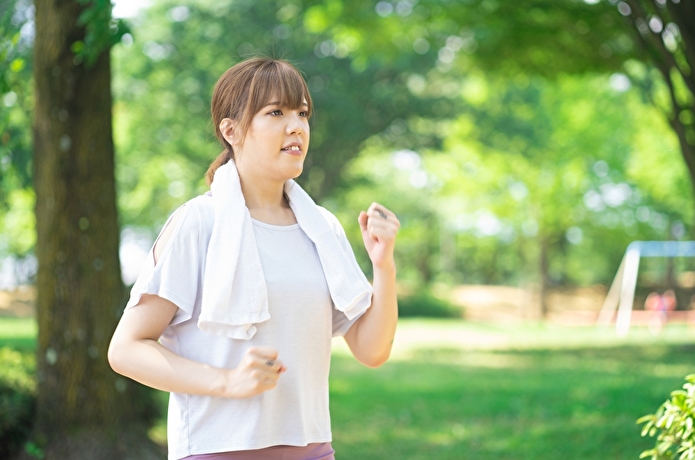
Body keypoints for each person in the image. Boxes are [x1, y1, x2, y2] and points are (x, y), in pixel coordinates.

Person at [107, 57, 400, 460]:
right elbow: (126, 349)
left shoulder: (322, 228)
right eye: (275, 112)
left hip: (312, 449)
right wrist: (227, 381)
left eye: (302, 112)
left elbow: (372, 350)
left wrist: (383, 265)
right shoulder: (200, 223)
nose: (296, 125)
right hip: (216, 449)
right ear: (231, 130)